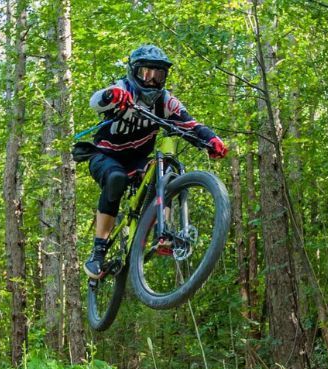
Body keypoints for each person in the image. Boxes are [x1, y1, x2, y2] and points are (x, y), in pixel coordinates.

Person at [83, 44, 227, 279]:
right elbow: (96, 100)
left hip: (139, 160)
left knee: (165, 170)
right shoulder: (123, 89)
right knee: (116, 179)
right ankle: (98, 252)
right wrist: (113, 97)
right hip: (106, 156)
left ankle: (164, 233)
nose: (151, 81)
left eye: (158, 75)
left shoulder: (165, 101)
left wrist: (212, 140)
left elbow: (190, 124)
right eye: (146, 74)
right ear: (134, 72)